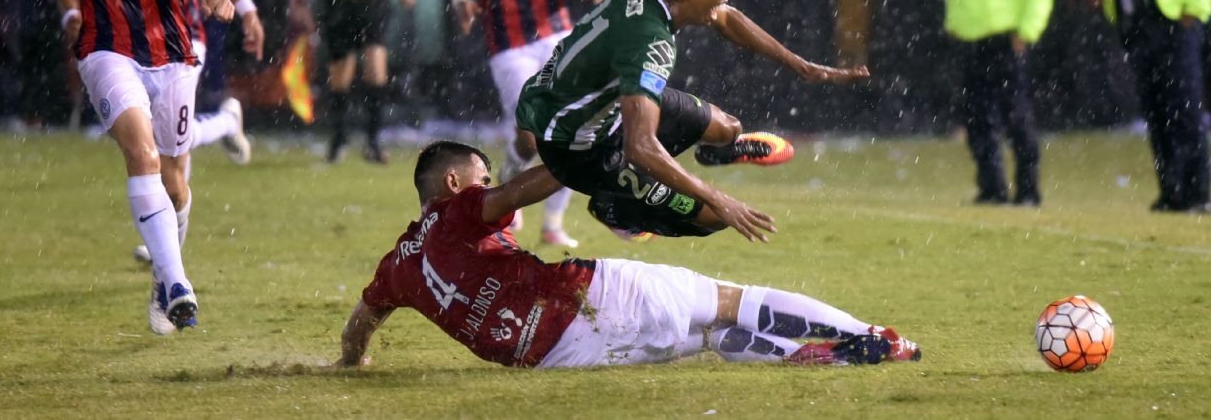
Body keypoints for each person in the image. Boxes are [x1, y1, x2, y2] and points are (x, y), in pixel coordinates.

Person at [334, 140, 921, 369]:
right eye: (480, 178)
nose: (489, 186)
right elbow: (517, 192)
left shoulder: (397, 266)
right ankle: (873, 336)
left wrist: (351, 364)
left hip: (555, 358)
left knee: (709, 338)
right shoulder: (459, 211)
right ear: (456, 185)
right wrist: (585, 159)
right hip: (582, 296)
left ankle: (819, 358)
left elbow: (359, 325)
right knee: (731, 300)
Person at [0, 0, 239, 333]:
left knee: (174, 183)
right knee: (142, 153)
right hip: (106, 50)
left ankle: (163, 273)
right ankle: (177, 284)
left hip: (173, 52)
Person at [515, 0, 867, 242]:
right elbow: (640, 146)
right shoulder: (650, 46)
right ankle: (614, 209)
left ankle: (715, 150)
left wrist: (801, 67)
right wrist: (717, 197)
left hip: (601, 104)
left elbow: (725, 16)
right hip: (584, 151)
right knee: (714, 218)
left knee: (728, 128)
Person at [446, 0, 613, 248]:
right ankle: (509, 180)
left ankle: (552, 223)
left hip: (556, 34)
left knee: (575, 124)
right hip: (508, 42)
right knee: (530, 132)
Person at [57, 0, 260, 166]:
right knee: (152, 135)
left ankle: (224, 125)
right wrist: (72, 16)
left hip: (183, 37)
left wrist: (246, 8)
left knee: (167, 143)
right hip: (128, 41)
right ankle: (225, 123)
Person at [940, 0, 1054, 206]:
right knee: (978, 120)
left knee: (1016, 117)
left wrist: (1026, 32)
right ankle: (992, 189)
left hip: (1003, 41)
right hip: (968, 43)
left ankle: (1028, 190)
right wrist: (954, 25)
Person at [1101, 0, 1211, 213]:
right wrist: (1119, 14)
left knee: (1184, 107)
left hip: (1174, 21)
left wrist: (1194, 8)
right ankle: (1171, 190)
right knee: (1156, 111)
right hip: (1139, 26)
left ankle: (1197, 192)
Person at [294, 0, 415, 164]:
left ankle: (373, 140)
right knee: (341, 74)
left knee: (375, 68)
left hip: (374, 1)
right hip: (338, 1)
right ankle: (339, 138)